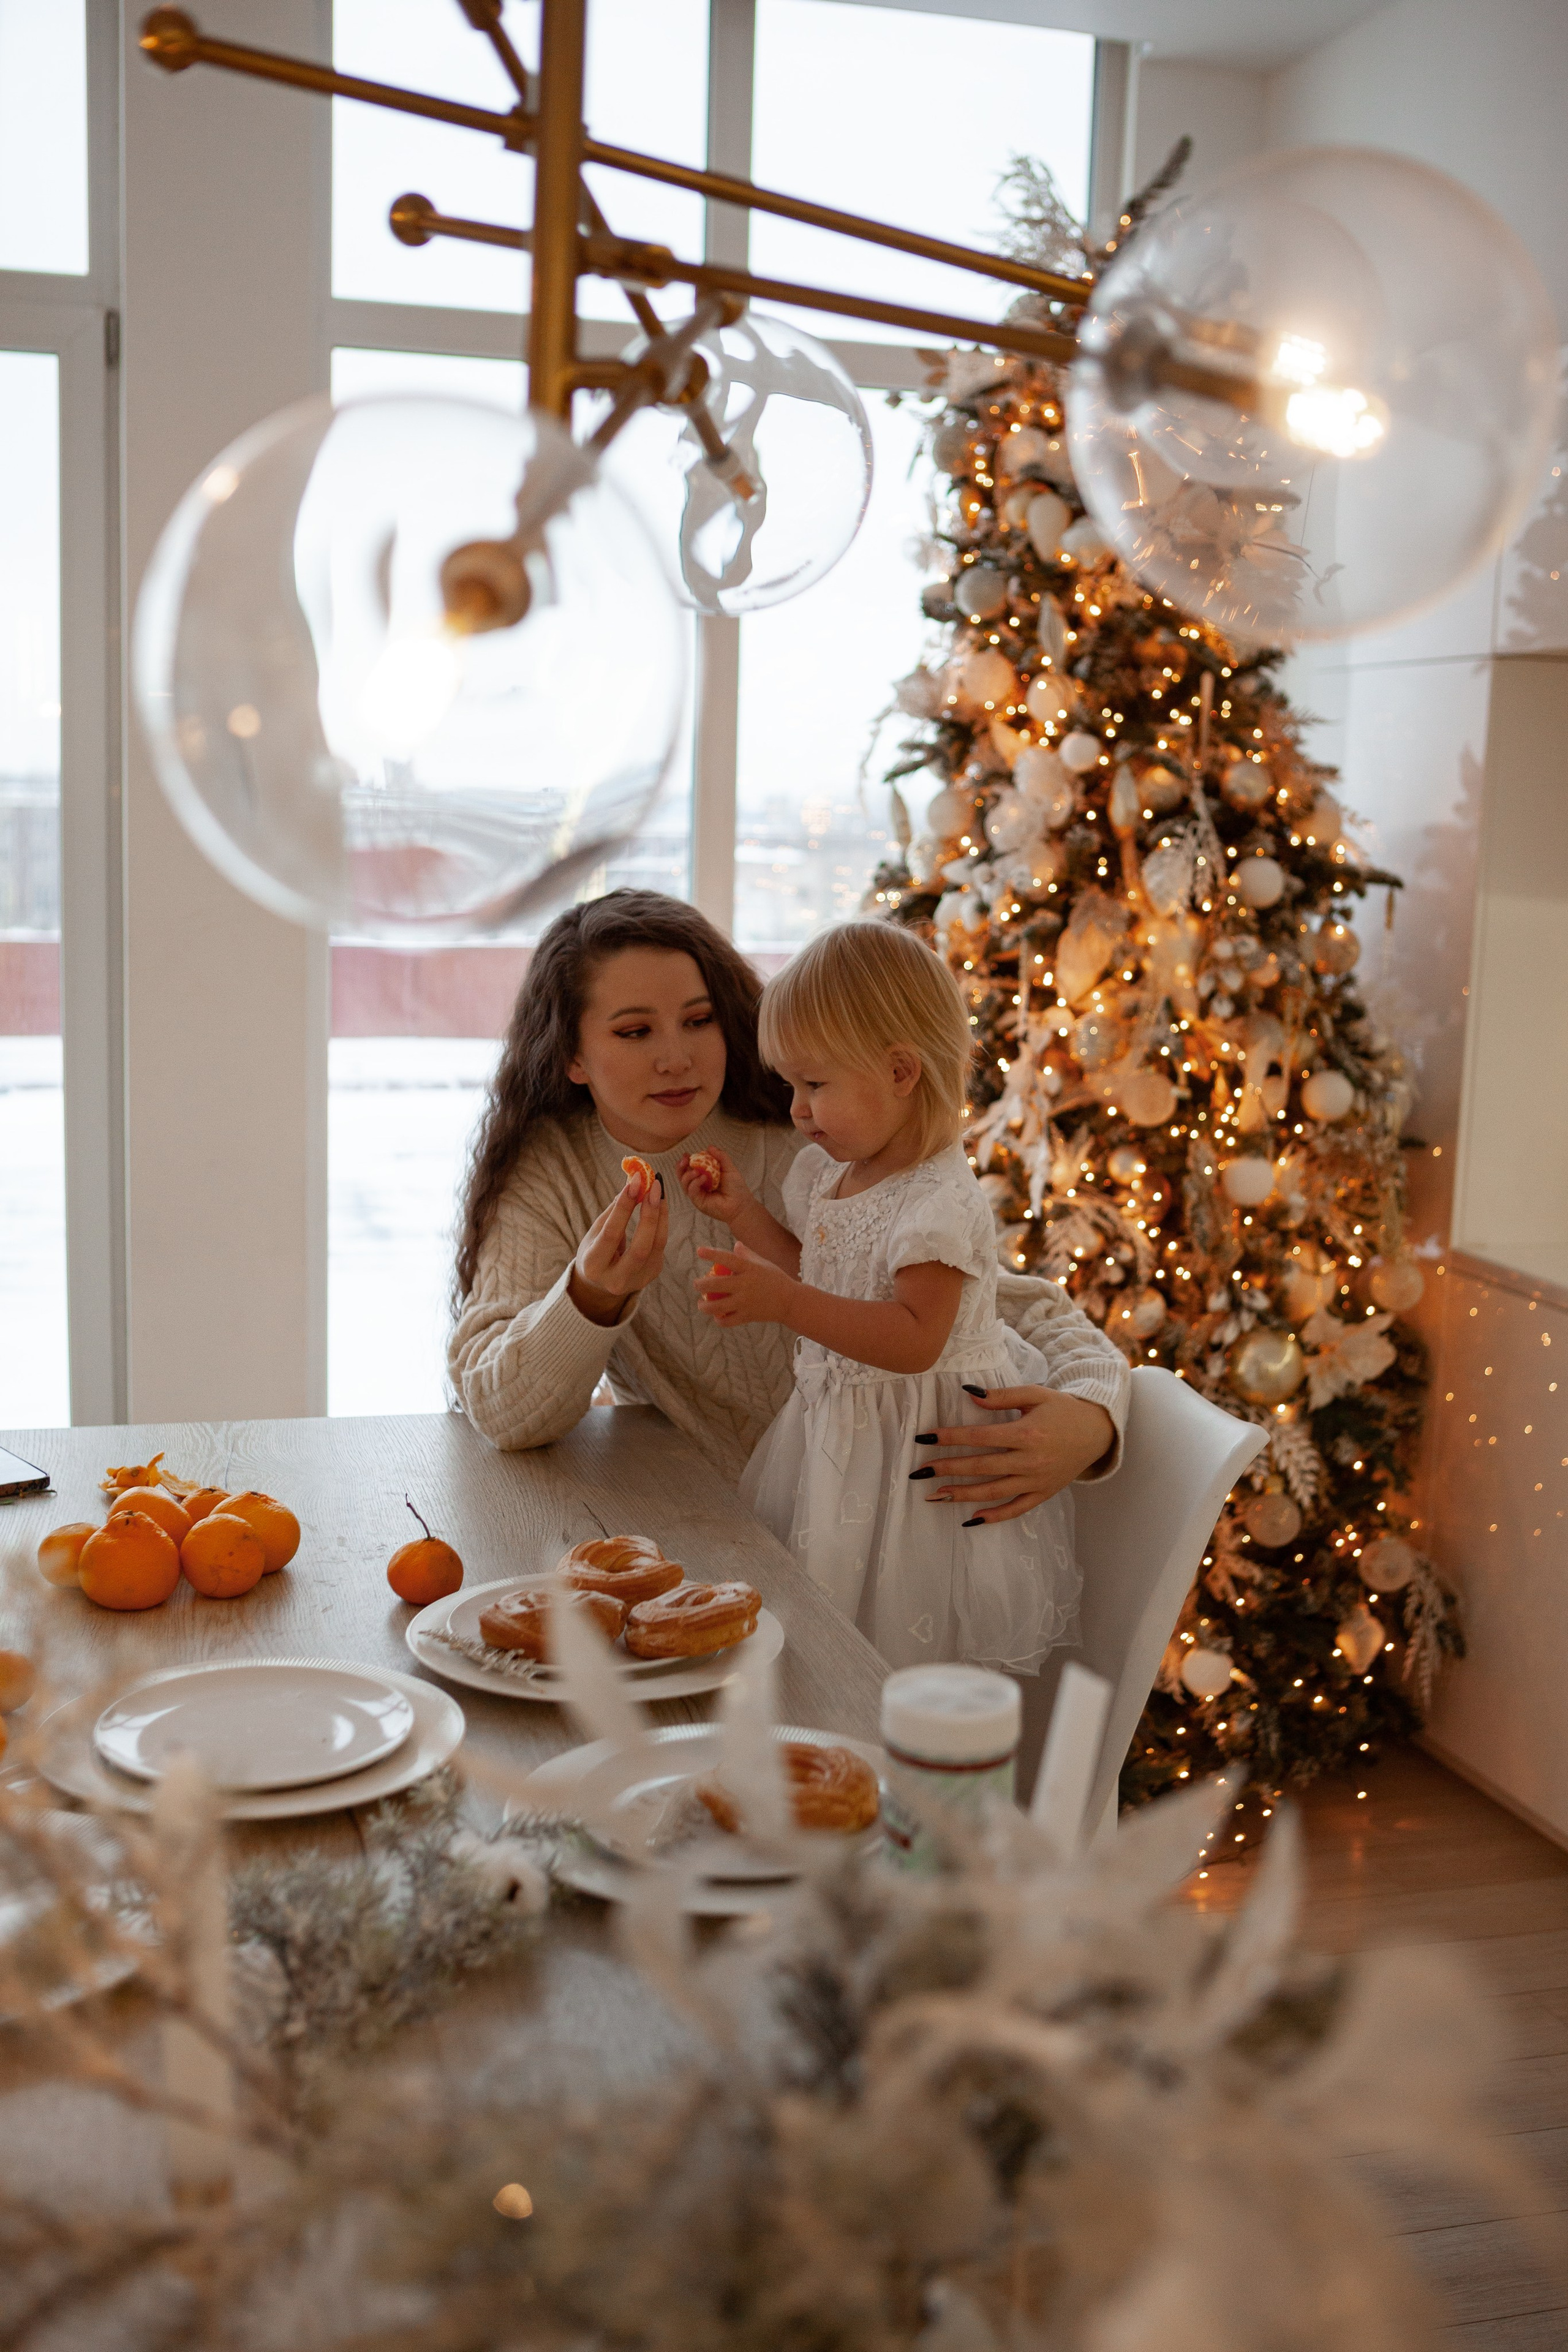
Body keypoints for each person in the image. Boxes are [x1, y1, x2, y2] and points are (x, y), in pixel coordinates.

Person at [448, 890, 1127, 1535]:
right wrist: (592, 1295)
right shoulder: (552, 1168)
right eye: (634, 1032)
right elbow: (502, 1412)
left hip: (882, 1521)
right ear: (571, 1055)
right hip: (711, 1524)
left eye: (699, 1020)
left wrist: (1094, 1416)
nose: (676, 1058)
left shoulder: (819, 1134)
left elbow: (998, 1307)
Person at [685, 922, 1085, 1672]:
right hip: (845, 1440)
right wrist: (744, 1214)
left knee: (895, 1657)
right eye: (791, 1086)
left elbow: (912, 1339)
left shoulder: (938, 1203)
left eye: (815, 1085)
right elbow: (824, 1274)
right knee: (823, 1635)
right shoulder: (834, 1173)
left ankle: (892, 1775)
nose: (797, 1110)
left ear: (902, 1072)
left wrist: (783, 1304)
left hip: (917, 1467)